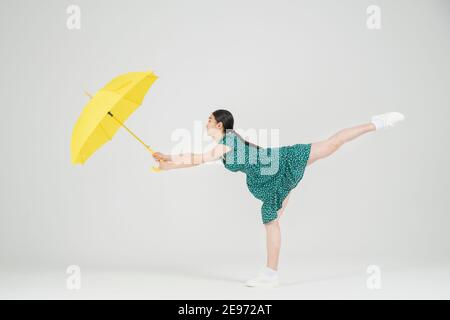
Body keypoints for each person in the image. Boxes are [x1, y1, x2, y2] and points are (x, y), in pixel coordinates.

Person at [152, 109, 405, 287]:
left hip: (280, 163)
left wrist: (170, 163)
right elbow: (196, 157)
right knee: (270, 218)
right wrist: (168, 160)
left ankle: (376, 123)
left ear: (220, 125)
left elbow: (197, 160)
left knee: (330, 145)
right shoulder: (227, 144)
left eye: (208, 119)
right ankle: (270, 273)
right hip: (269, 178)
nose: (205, 123)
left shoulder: (226, 142)